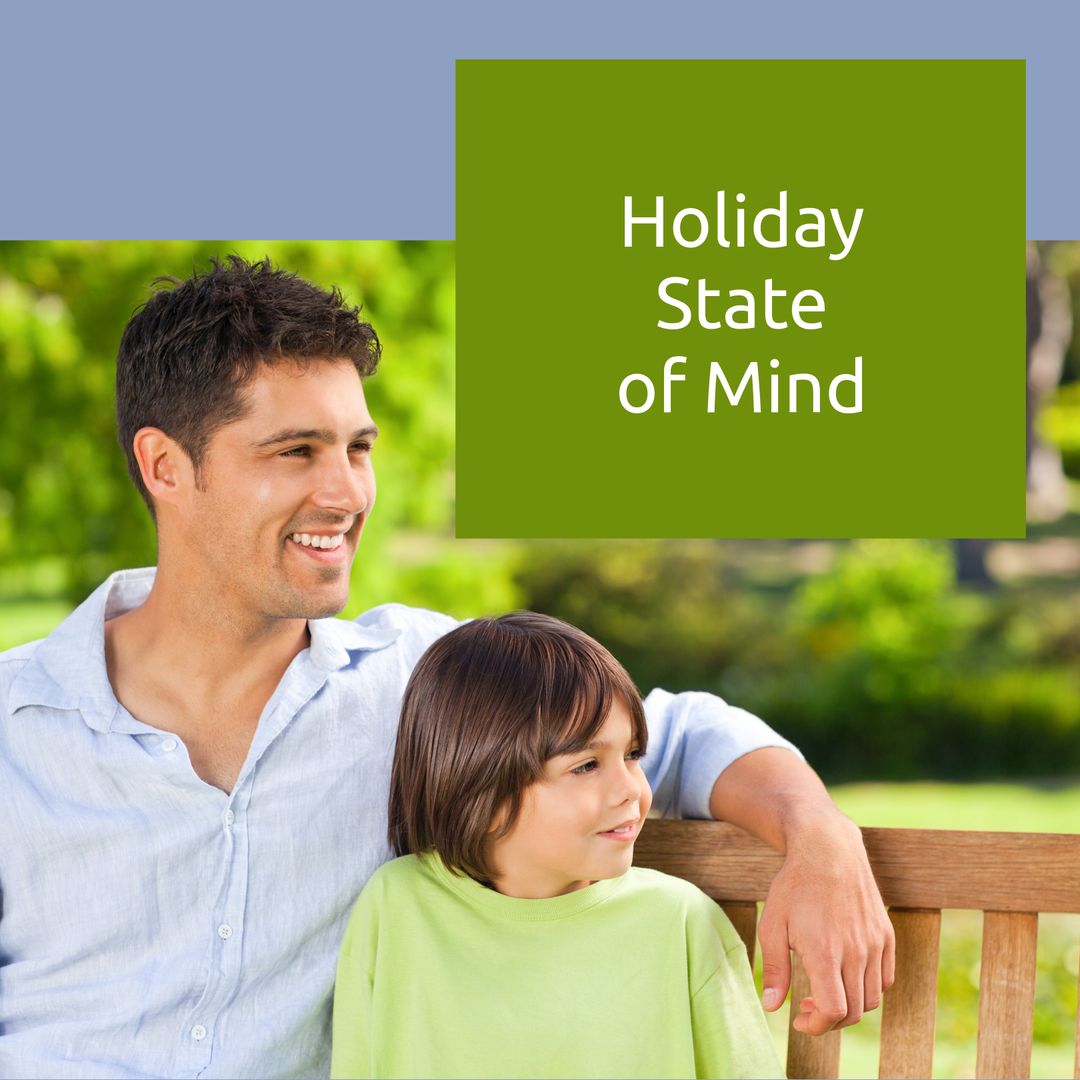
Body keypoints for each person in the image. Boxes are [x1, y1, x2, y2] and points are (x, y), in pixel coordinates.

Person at [0, 256, 893, 1079]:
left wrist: (819, 835)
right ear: (164, 465)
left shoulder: (417, 685)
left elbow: (679, 736)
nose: (347, 493)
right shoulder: (15, 726)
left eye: (358, 448)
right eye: (296, 451)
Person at [331, 612, 784, 1079]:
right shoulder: (396, 904)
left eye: (632, 755)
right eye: (587, 765)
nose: (632, 788)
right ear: (480, 792)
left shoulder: (681, 922)